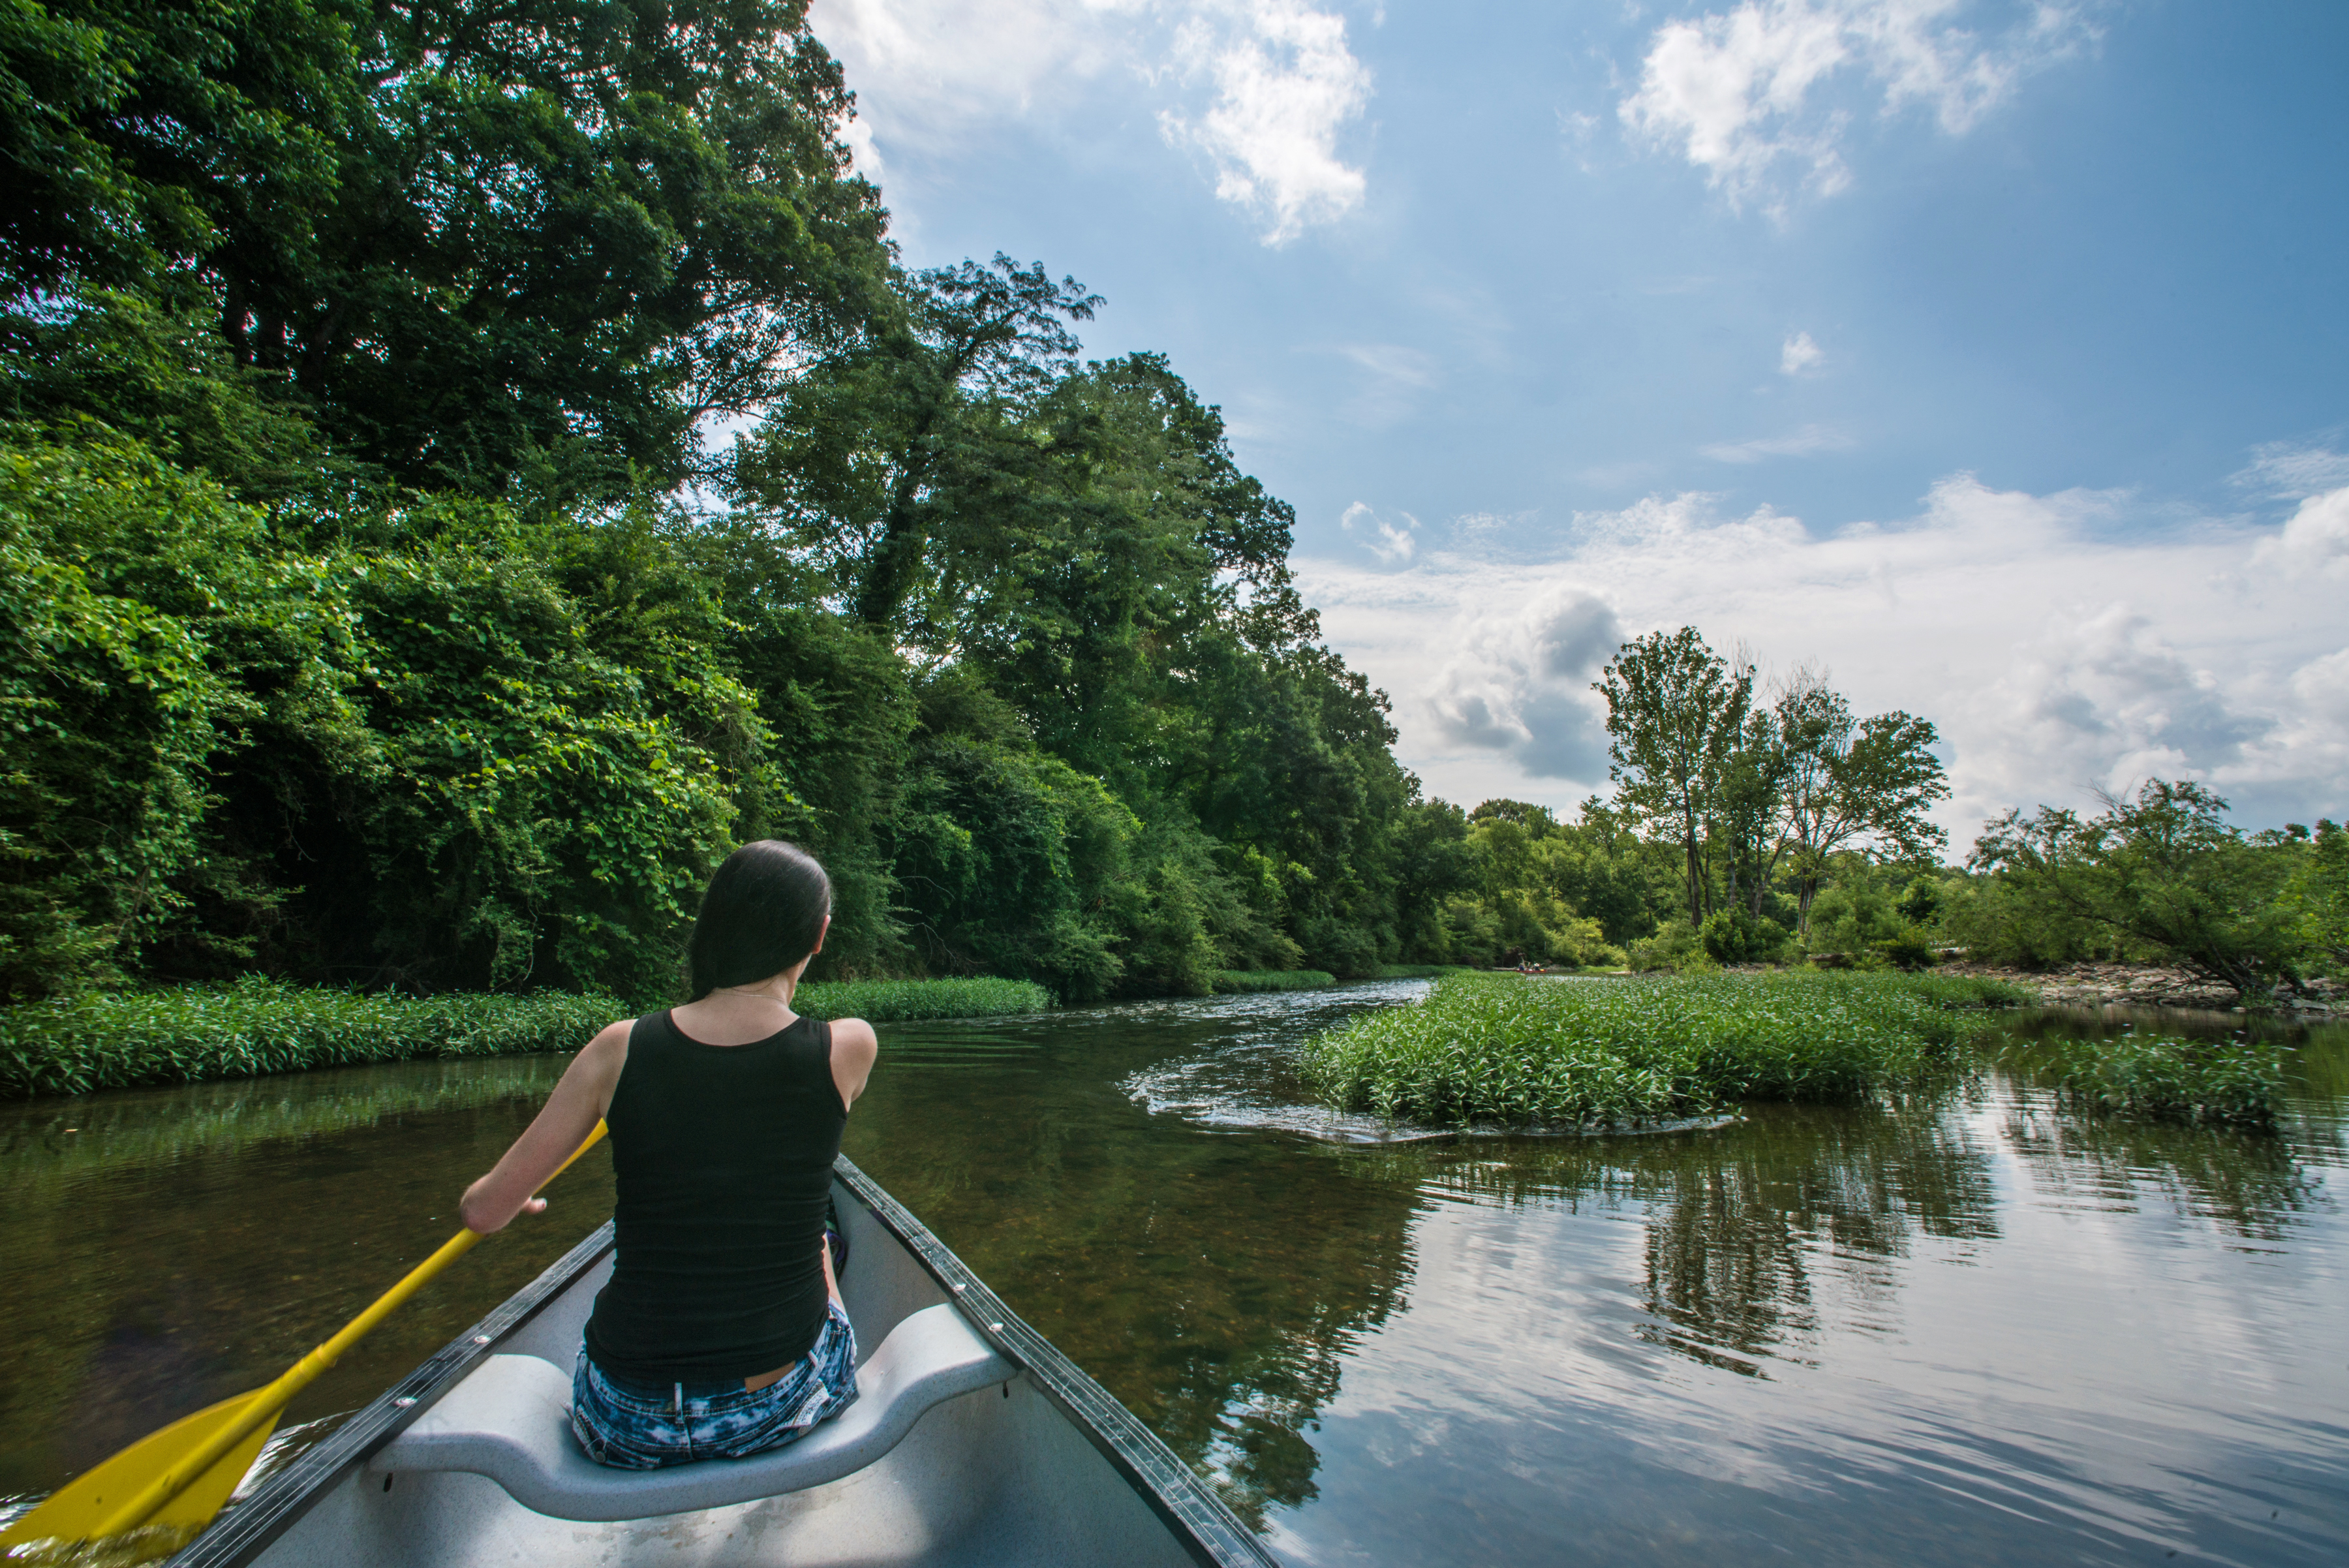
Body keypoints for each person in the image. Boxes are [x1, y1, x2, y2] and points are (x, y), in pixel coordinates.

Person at [457, 840, 880, 1469]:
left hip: (623, 1419)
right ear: (818, 935)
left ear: (714, 922)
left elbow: (482, 1211)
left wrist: (515, 1194)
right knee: (816, 1229)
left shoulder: (617, 1049)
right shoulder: (848, 1047)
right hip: (774, 1408)